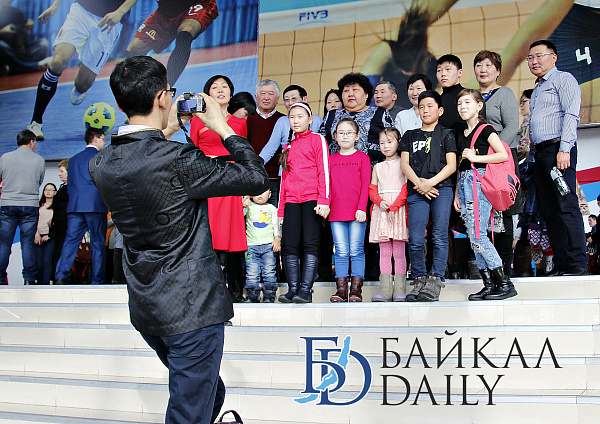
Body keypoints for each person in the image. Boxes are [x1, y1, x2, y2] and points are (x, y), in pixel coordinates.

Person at [89, 55, 269, 424]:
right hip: (192, 307)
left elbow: (142, 160)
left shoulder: (101, 164)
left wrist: (166, 130)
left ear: (120, 104)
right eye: (169, 93)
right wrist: (222, 126)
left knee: (207, 393)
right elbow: (255, 178)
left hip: (147, 307)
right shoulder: (178, 158)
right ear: (162, 98)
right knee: (190, 410)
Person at [27, 0, 138, 140]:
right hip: (82, 11)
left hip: (110, 20)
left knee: (82, 84)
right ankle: (36, 123)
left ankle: (81, 87)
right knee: (57, 62)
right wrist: (55, 5)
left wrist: (119, 12)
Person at [528, 39, 588, 276]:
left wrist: (565, 149)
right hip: (540, 155)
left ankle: (578, 263)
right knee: (550, 211)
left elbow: (572, 114)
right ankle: (562, 264)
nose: (534, 61)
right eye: (530, 58)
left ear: (553, 57)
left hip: (558, 151)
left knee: (566, 206)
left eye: (539, 56)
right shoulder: (537, 88)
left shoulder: (563, 79)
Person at [453, 89, 517, 300]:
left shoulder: (486, 129)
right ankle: (489, 285)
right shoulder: (462, 133)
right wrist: (457, 194)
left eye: (467, 102)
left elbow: (502, 154)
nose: (462, 107)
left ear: (479, 106)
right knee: (474, 238)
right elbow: (462, 166)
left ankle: (504, 283)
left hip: (479, 182)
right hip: (464, 183)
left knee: (479, 236)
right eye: (460, 103)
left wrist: (476, 157)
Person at [190, 74, 248, 302]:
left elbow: (244, 156)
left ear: (231, 94)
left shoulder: (240, 123)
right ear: (208, 94)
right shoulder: (197, 121)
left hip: (232, 182)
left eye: (225, 86)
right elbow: (192, 154)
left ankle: (235, 290)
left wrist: (246, 189)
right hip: (208, 182)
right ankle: (209, 291)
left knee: (233, 237)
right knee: (208, 236)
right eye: (215, 87)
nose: (221, 90)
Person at [400, 90, 457, 302]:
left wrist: (429, 183)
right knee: (415, 238)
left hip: (441, 189)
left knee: (439, 235)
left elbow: (451, 165)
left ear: (440, 110)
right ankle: (419, 278)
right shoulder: (409, 135)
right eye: (421, 107)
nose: (425, 110)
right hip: (417, 190)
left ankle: (436, 278)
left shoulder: (447, 134)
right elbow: (404, 164)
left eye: (430, 106)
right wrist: (420, 184)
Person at [474, 50, 520, 276]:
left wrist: (495, 150)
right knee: (480, 216)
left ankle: (503, 272)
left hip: (502, 160)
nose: (483, 70)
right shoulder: (471, 97)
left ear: (498, 70)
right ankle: (486, 271)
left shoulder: (504, 93)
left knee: (504, 212)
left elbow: (512, 126)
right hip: (478, 162)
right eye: (479, 65)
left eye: (488, 65)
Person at [278, 102, 330, 303]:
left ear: (310, 120)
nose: (296, 121)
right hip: (291, 201)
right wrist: (281, 210)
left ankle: (306, 290)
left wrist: (324, 200)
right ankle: (293, 289)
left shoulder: (317, 139)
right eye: (292, 117)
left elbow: (324, 171)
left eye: (300, 116)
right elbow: (284, 181)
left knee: (310, 243)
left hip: (312, 200)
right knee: (289, 244)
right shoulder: (288, 146)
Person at [54, 128, 108, 285]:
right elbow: (105, 182)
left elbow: (70, 186)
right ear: (95, 139)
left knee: (70, 241)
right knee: (97, 242)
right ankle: (97, 280)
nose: (104, 143)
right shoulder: (102, 157)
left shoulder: (74, 160)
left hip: (76, 206)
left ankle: (60, 275)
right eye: (103, 139)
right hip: (95, 205)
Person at [125, 0, 218, 86]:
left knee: (185, 34)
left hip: (196, 3)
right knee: (133, 50)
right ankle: (134, 88)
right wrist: (119, 13)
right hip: (166, 12)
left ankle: (167, 87)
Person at [328, 118, 370, 303]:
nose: (345, 136)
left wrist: (362, 208)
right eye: (341, 133)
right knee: (341, 251)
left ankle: (356, 291)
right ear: (335, 136)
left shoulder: (363, 158)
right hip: (336, 212)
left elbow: (365, 185)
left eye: (349, 133)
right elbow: (327, 186)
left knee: (356, 250)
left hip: (357, 213)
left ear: (357, 136)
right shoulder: (331, 159)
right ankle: (341, 290)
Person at [0, 129, 45, 285]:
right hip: (29, 205)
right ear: (31, 142)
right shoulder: (39, 160)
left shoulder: (5, 158)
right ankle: (29, 279)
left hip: (8, 204)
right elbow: (39, 181)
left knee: (4, 244)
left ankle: (0, 278)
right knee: (27, 244)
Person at [369, 128, 409, 302]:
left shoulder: (404, 163)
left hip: (398, 209)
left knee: (399, 251)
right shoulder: (377, 167)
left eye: (390, 142)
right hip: (382, 210)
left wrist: (395, 206)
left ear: (398, 142)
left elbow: (406, 187)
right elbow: (372, 189)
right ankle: (385, 289)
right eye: (382, 143)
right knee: (384, 251)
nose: (385, 146)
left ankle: (400, 289)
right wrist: (380, 202)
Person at [319, 72, 393, 164]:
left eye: (355, 90)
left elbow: (391, 141)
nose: (350, 94)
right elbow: (320, 143)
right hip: (337, 167)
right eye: (346, 90)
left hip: (372, 168)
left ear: (366, 94)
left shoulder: (380, 113)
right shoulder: (331, 115)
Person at [259, 84, 323, 176]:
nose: (290, 103)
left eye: (294, 98)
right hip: (286, 174)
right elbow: (270, 148)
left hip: (311, 174)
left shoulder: (317, 120)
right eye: (286, 100)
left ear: (304, 99)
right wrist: (255, 165)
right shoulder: (282, 121)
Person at [247, 79, 285, 206]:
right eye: (263, 93)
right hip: (251, 179)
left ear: (278, 99)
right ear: (256, 97)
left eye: (271, 93)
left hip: (276, 181)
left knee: (275, 216)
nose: (266, 97)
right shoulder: (246, 119)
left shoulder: (284, 120)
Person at [243, 189, 281, 303]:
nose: (260, 194)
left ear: (269, 194)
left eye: (263, 191)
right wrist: (245, 201)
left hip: (268, 246)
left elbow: (276, 225)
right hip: (251, 246)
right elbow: (241, 213)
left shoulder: (272, 208)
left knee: (269, 271)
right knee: (251, 272)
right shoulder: (249, 207)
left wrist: (277, 239)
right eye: (257, 191)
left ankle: (269, 295)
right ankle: (252, 295)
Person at [0, 0, 50, 76]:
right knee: (1, 45)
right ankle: (33, 66)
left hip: (18, 48)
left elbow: (23, 39)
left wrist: (25, 30)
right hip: (5, 50)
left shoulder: (16, 12)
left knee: (43, 44)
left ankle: (20, 67)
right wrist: (2, 32)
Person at [436, 54, 466, 135]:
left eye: (448, 69)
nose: (443, 74)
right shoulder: (436, 101)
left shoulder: (469, 97)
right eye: (439, 70)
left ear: (460, 72)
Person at [50, 159, 69, 282]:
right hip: (58, 225)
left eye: (62, 171)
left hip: (65, 225)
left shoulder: (72, 188)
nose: (59, 174)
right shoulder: (63, 187)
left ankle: (61, 276)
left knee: (61, 250)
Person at [34, 183, 57, 285]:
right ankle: (39, 283)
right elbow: (34, 221)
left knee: (47, 261)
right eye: (46, 190)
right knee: (38, 263)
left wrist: (49, 235)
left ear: (55, 192)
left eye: (51, 190)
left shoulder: (56, 207)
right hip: (38, 236)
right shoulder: (39, 206)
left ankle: (46, 284)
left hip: (50, 237)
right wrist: (36, 234)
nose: (48, 192)